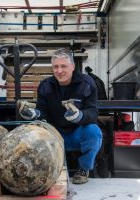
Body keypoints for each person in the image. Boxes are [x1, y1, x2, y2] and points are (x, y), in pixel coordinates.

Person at [18, 48, 102, 184]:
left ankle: (84, 168)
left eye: (64, 66)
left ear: (73, 66)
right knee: (33, 131)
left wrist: (79, 116)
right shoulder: (45, 86)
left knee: (94, 132)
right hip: (54, 135)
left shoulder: (86, 83)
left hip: (77, 134)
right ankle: (50, 168)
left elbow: (93, 112)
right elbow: (42, 111)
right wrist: (35, 114)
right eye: (55, 66)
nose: (59, 70)